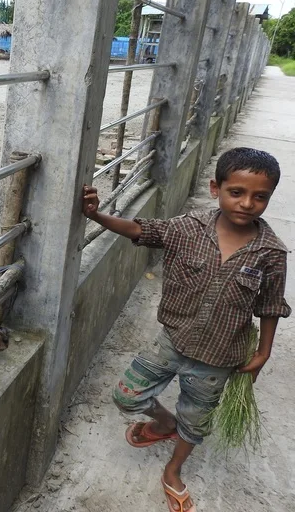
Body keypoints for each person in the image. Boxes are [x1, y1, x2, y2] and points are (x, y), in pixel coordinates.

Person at [81, 147, 290, 512]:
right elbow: (140, 229)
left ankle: (173, 470)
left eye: (260, 197)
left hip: (219, 358)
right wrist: (96, 214)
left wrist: (263, 352)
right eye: (236, 192)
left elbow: (270, 305)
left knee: (196, 422)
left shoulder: (271, 252)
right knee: (127, 396)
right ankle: (163, 423)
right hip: (172, 342)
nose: (247, 204)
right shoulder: (186, 228)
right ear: (216, 188)